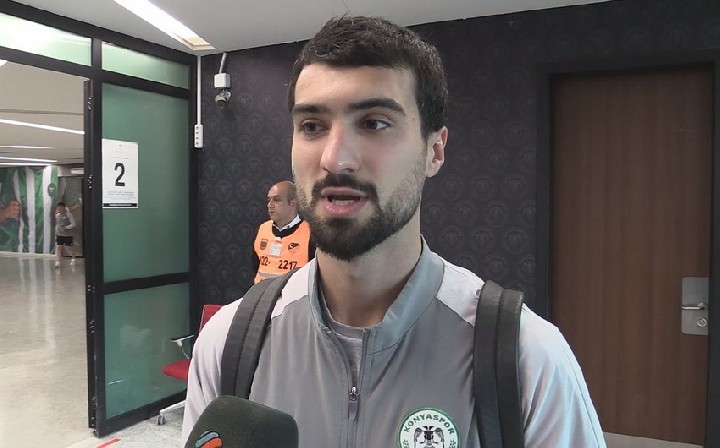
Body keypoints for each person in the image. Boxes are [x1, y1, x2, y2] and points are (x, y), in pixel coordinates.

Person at [182, 16, 605, 448]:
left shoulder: (527, 360)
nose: (335, 159)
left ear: (434, 151)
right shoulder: (228, 344)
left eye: (374, 123)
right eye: (312, 126)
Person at [252, 180, 314, 283]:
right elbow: (256, 266)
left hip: (294, 292)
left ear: (292, 204)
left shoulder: (310, 234)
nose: (270, 205)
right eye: (269, 200)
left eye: (277, 200)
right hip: (262, 292)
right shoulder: (262, 230)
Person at [54, 202, 76, 267]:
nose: (59, 209)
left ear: (63, 208)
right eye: (58, 208)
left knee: (71, 246)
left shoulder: (69, 215)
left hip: (67, 234)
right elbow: (58, 224)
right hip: (59, 234)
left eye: (60, 207)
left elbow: (73, 224)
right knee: (59, 246)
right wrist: (56, 232)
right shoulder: (57, 215)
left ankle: (73, 259)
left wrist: (66, 227)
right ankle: (58, 261)